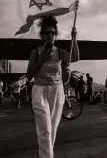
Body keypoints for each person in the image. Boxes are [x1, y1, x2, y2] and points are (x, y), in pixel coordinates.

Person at [26, 15, 79, 158]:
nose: (50, 35)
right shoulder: (35, 52)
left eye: (53, 33)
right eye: (47, 33)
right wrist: (41, 61)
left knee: (52, 130)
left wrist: (74, 38)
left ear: (55, 36)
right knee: (45, 131)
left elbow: (75, 57)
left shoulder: (59, 52)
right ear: (42, 36)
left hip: (57, 91)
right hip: (39, 91)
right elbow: (29, 75)